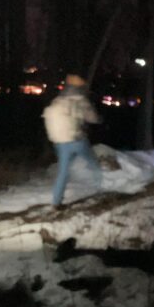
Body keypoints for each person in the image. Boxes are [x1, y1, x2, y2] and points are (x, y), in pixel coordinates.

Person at [43, 74, 102, 208]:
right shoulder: (81, 100)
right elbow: (92, 118)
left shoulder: (57, 100)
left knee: (63, 172)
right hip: (77, 140)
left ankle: (56, 202)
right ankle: (99, 186)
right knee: (92, 161)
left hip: (60, 143)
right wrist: (98, 119)